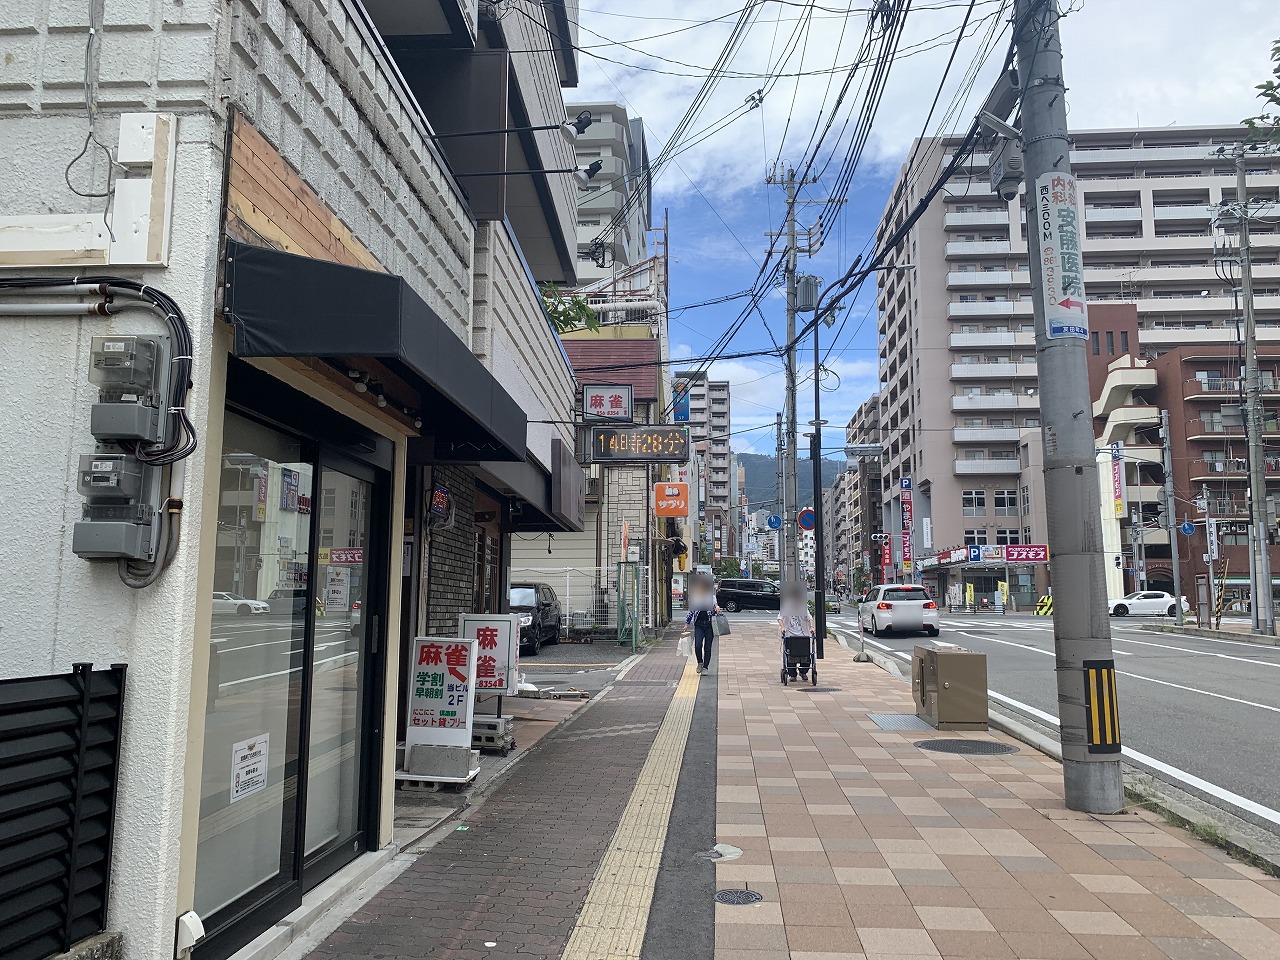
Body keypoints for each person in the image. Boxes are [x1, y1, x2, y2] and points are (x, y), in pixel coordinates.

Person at [777, 581, 815, 682]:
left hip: (803, 635)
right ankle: (792, 674)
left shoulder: (803, 606)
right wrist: (783, 627)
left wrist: (812, 627)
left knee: (806, 656)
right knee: (790, 656)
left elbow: (809, 617)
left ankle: (803, 672)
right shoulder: (787, 606)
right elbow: (779, 618)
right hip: (790, 635)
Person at [684, 574, 720, 674]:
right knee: (698, 645)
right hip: (698, 625)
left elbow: (715, 607)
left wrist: (717, 608)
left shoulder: (712, 598)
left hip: (709, 625)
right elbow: (691, 611)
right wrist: (686, 623)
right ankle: (700, 662)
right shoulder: (695, 598)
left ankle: (705, 667)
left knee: (708, 647)